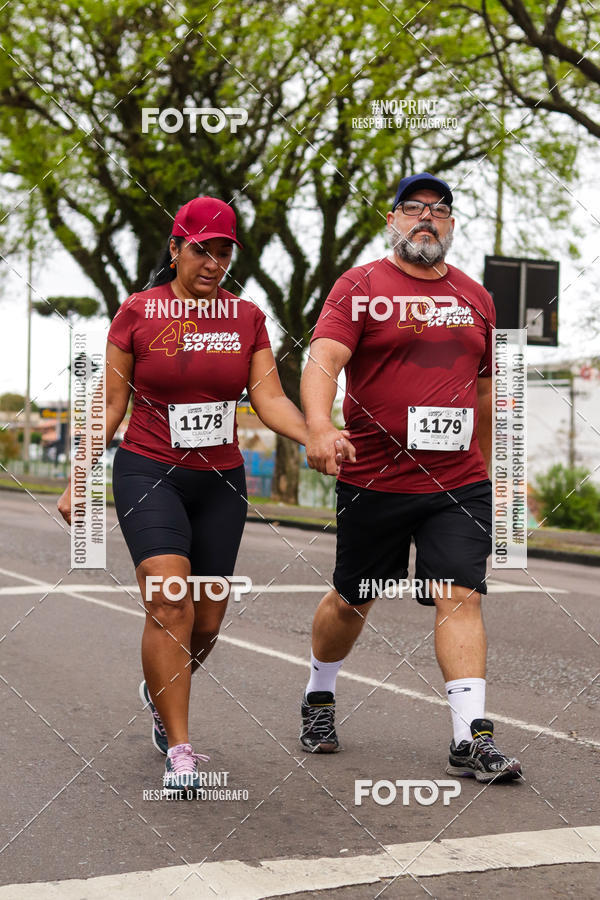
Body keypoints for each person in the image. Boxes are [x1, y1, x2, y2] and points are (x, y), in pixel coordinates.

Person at [57, 195, 353, 794]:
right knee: (171, 602)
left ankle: (159, 689)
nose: (213, 263)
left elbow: (269, 400)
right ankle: (181, 748)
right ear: (175, 249)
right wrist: (79, 476)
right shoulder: (137, 313)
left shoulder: (247, 318)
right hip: (150, 471)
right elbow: (109, 404)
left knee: (208, 622)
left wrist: (318, 434)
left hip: (220, 481)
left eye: (223, 252)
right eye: (201, 250)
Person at [300, 172, 522, 783]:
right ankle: (319, 693)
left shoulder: (477, 297)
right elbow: (324, 358)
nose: (427, 217)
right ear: (392, 219)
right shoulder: (360, 285)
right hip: (375, 478)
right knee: (353, 598)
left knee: (460, 594)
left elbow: (486, 391)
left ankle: (470, 737)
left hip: (458, 482)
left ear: (451, 225)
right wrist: (318, 425)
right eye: (413, 207)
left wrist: (497, 471)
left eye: (439, 209)